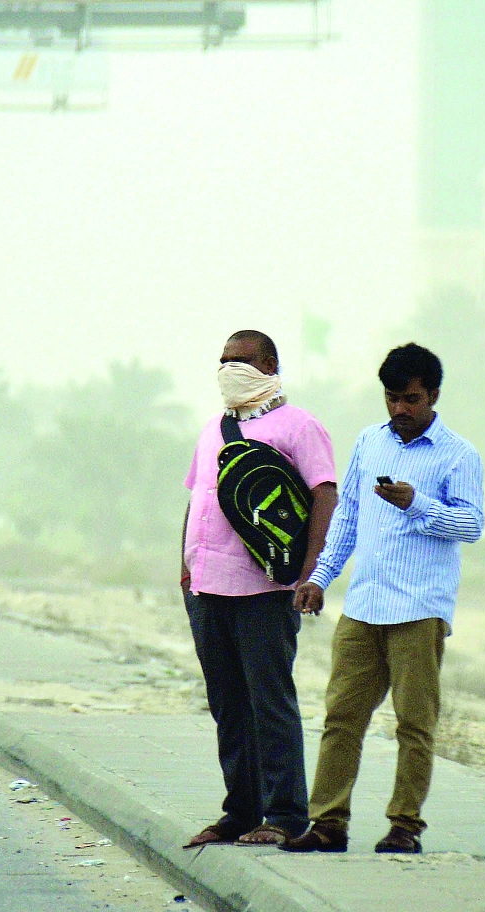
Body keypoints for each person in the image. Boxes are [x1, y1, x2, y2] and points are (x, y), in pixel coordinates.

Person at [282, 342, 484, 855]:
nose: (400, 409)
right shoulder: (370, 443)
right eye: (392, 398)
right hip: (364, 607)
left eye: (411, 399)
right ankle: (328, 824)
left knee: (414, 723)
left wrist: (419, 504)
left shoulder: (458, 454)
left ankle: (404, 826)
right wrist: (320, 577)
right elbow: (347, 518)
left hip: (420, 609)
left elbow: (472, 525)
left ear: (433, 395)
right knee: (341, 718)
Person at [182, 330, 338, 849]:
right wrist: (184, 566)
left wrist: (311, 571)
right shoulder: (212, 429)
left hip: (263, 590)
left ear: (270, 364)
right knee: (227, 704)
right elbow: (199, 497)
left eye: (242, 360)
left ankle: (286, 813)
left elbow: (324, 495)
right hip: (206, 589)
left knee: (269, 701)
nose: (230, 368)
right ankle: (239, 811)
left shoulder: (298, 425)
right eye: (223, 360)